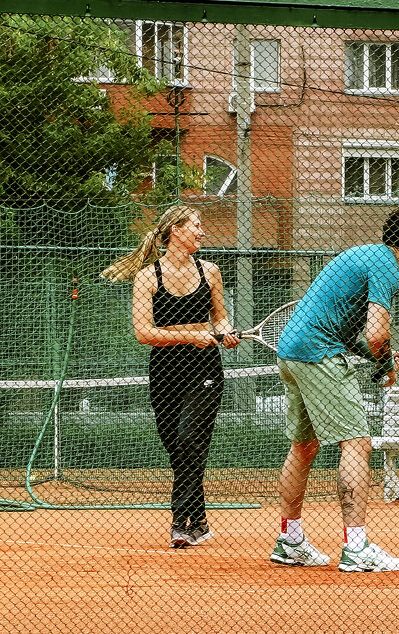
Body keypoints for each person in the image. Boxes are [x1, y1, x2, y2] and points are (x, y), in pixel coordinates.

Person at [270, 201, 399, 572]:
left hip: (292, 352)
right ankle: (357, 546)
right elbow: (377, 332)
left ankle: (290, 540)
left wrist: (382, 358)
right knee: (357, 443)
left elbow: (350, 332)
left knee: (304, 445)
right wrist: (384, 360)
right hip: (318, 353)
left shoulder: (362, 255)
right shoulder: (387, 267)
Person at [101, 205, 241, 548]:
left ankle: (180, 523)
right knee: (176, 446)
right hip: (165, 368)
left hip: (204, 367)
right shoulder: (148, 277)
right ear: (176, 230)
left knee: (189, 438)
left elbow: (220, 318)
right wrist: (190, 336)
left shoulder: (211, 272)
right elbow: (143, 332)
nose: (202, 231)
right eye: (196, 225)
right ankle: (201, 520)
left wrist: (226, 332)